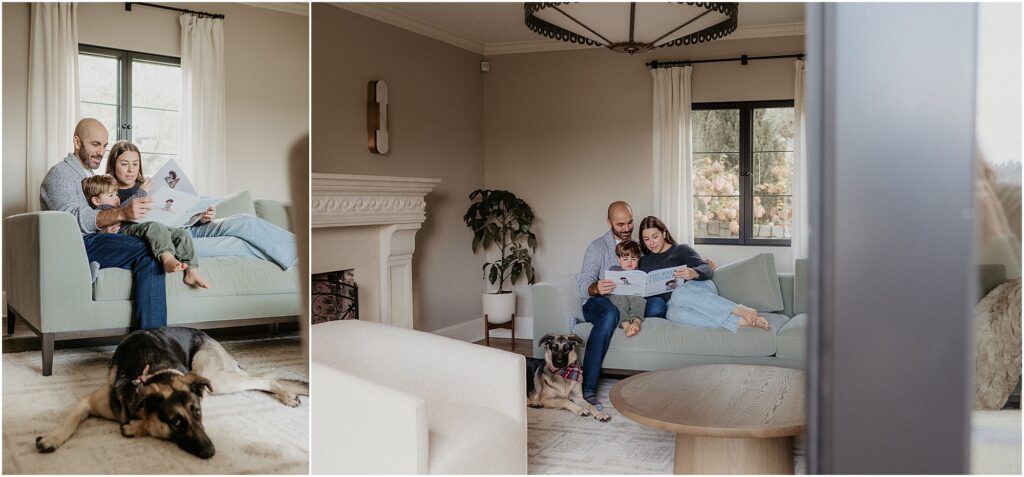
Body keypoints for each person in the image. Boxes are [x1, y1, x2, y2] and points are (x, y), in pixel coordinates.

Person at [39, 118, 166, 330]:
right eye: (95, 144)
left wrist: (111, 221)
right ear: (77, 142)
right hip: (78, 247)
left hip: (94, 240)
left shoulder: (89, 176)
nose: (101, 151)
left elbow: (97, 212)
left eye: (104, 146)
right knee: (150, 250)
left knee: (152, 250)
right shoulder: (60, 175)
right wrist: (121, 213)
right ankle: (152, 343)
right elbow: (72, 220)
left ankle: (148, 341)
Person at [106, 141, 298, 270]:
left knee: (244, 220)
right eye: (124, 164)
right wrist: (141, 194)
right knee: (238, 244)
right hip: (176, 241)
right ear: (114, 164)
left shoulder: (152, 184)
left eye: (135, 163)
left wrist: (200, 215)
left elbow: (175, 210)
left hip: (191, 228)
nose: (131, 169)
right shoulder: (109, 192)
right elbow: (119, 224)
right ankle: (298, 261)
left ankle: (302, 251)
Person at [637, 216, 770, 331]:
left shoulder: (681, 249)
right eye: (646, 239)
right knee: (673, 314)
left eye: (655, 237)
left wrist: (693, 272)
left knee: (679, 293)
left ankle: (739, 309)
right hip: (674, 303)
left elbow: (706, 269)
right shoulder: (644, 261)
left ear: (664, 233)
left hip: (697, 289)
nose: (651, 243)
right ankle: (741, 322)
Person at [82, 175, 210, 289]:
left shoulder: (116, 206)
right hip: (123, 233)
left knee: (180, 234)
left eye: (116, 194)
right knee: (154, 227)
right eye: (111, 195)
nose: (116, 198)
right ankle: (167, 258)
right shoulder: (99, 213)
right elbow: (95, 233)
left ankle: (192, 270)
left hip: (135, 226)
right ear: (96, 201)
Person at [575, 201, 637, 409]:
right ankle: (588, 389)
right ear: (609, 222)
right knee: (610, 313)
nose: (626, 229)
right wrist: (596, 288)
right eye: (620, 224)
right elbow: (583, 283)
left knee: (656, 306)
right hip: (598, 302)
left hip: (626, 301)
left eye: (630, 222)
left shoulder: (636, 247)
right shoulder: (597, 247)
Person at [606, 240, 645, 338]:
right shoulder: (614, 269)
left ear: (638, 258)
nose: (629, 262)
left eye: (633, 259)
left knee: (639, 299)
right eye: (625, 259)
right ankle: (626, 325)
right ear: (618, 259)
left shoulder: (640, 273)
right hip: (617, 294)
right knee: (619, 300)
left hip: (633, 293)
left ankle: (636, 321)